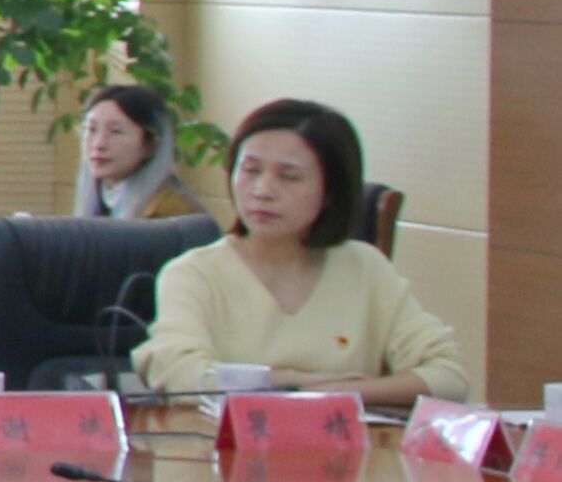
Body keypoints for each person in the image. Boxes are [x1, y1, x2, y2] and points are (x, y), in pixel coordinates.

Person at [134, 99, 467, 407]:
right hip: (224, 449)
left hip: (342, 448)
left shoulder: (365, 267)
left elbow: (448, 376)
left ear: (331, 192)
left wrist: (338, 394)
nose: (263, 191)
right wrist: (292, 382)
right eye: (250, 170)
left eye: (289, 176)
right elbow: (180, 375)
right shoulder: (194, 273)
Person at [72, 81, 205, 222]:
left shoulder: (172, 212)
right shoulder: (102, 198)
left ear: (151, 144)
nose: (99, 144)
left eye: (116, 131)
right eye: (92, 129)